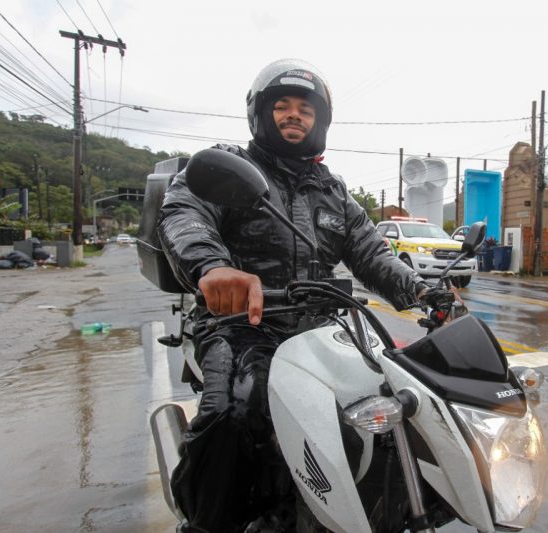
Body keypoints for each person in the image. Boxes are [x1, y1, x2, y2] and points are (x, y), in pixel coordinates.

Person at [158, 58, 442, 532]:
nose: (295, 115)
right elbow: (185, 211)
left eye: (305, 110)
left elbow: (373, 255)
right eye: (283, 106)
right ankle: (209, 521)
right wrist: (213, 266)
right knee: (233, 412)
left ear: (319, 121)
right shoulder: (232, 167)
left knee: (392, 401)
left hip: (321, 329)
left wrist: (427, 293)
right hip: (242, 324)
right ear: (262, 114)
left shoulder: (333, 192)